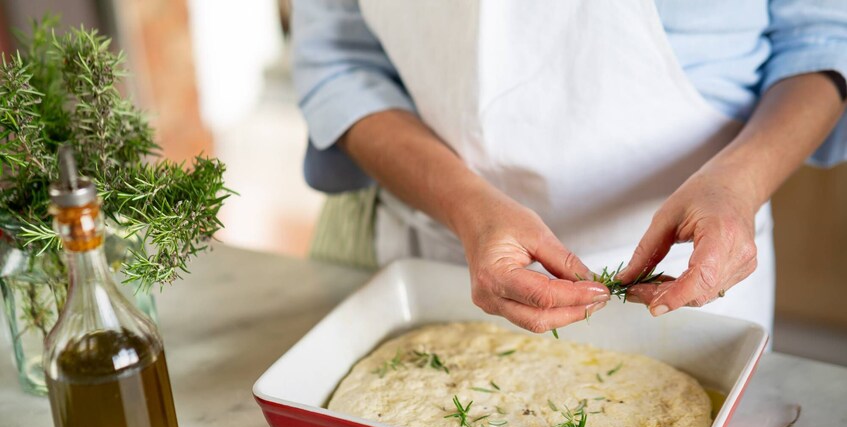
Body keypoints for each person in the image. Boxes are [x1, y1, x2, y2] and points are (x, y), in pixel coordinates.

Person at [292, 0, 847, 334]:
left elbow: (821, 36)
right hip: (441, 259)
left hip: (693, 277)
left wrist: (737, 185)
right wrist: (467, 207)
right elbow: (340, 63)